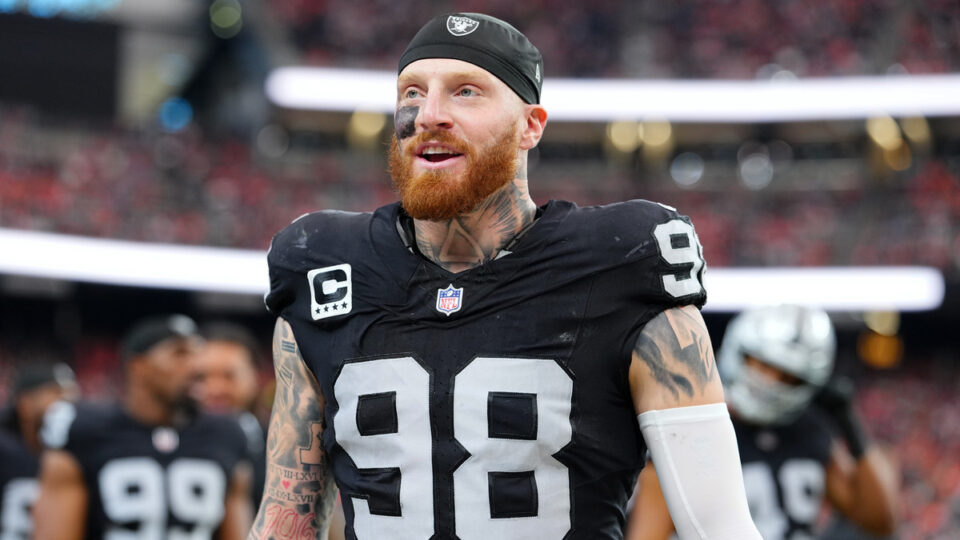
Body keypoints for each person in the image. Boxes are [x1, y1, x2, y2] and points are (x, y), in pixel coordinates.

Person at [251, 12, 761, 540]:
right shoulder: (323, 265)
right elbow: (286, 519)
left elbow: (719, 526)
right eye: (411, 93)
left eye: (465, 92)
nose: (428, 114)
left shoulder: (623, 263)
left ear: (530, 125)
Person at [626, 305, 899, 540]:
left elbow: (880, 520)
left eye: (787, 376)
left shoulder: (809, 431)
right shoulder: (696, 431)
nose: (769, 382)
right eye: (761, 364)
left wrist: (850, 426)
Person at [33, 314, 254, 540]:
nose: (196, 366)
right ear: (138, 366)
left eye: (196, 353)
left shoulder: (227, 434)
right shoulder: (85, 429)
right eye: (179, 353)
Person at [196, 322, 268, 514]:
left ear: (256, 377)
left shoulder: (289, 447)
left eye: (229, 376)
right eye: (202, 377)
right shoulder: (169, 448)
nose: (215, 389)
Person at [0, 362, 78, 539]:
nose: (68, 405)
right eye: (57, 394)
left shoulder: (77, 454)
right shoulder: (5, 451)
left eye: (71, 396)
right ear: (25, 404)